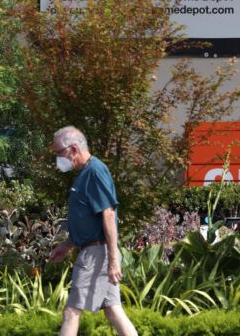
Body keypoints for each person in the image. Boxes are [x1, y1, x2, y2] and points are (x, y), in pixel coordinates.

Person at [49, 126, 137, 336]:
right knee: (113, 311)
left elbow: (108, 214)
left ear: (72, 149)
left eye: (59, 153)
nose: (58, 159)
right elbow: (89, 220)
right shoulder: (86, 173)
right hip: (96, 251)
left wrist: (113, 260)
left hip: (96, 254)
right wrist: (67, 245)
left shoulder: (95, 171)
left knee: (71, 311)